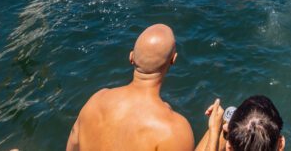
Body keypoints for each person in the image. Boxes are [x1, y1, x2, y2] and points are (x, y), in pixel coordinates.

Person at [66, 24, 204, 151]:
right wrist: (215, 133)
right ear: (173, 60)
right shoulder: (174, 129)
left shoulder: (96, 100)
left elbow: (72, 145)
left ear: (131, 57)